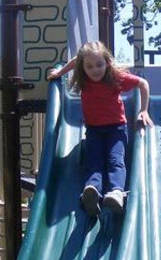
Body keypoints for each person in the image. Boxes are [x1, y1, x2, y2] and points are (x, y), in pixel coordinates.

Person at [47, 41, 153, 217]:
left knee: (115, 160)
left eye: (99, 64)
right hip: (94, 129)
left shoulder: (116, 77)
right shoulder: (85, 79)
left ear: (107, 63)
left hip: (116, 129)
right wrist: (60, 72)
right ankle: (92, 191)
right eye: (89, 66)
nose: (95, 69)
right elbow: (76, 60)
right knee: (94, 161)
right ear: (83, 67)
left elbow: (143, 84)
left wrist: (143, 110)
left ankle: (116, 193)